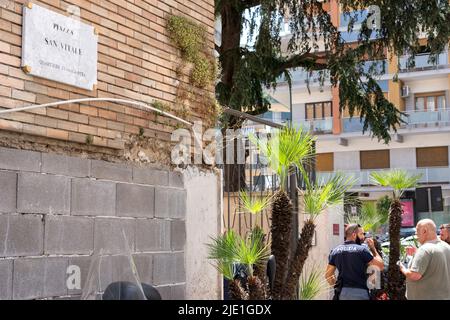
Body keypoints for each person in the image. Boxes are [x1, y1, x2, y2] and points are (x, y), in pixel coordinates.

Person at [325, 224, 385, 300]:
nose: (363, 237)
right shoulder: (362, 250)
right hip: (360, 293)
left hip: (342, 293)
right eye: (361, 234)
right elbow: (380, 266)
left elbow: (328, 275)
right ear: (354, 235)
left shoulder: (335, 251)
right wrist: (373, 249)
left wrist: (337, 286)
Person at [399, 219, 450, 300]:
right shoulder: (446, 246)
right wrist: (416, 254)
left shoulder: (424, 250)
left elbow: (414, 275)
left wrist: (402, 267)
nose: (416, 234)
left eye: (417, 230)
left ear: (424, 231)